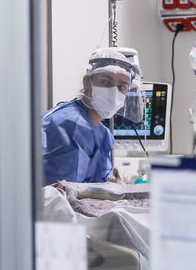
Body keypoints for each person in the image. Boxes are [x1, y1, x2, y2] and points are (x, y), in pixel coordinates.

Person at [42, 48, 142, 185]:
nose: (113, 93)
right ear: (87, 84)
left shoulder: (102, 133)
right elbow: (64, 192)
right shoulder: (71, 126)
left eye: (121, 87)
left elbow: (90, 182)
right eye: (106, 82)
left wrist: (110, 178)